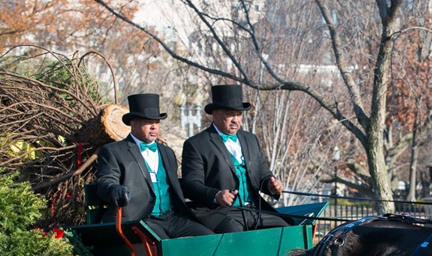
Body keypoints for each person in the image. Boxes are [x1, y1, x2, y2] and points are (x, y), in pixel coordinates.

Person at [95, 93, 214, 239]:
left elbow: (177, 185)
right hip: (141, 218)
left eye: (156, 122)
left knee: (209, 238)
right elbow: (105, 181)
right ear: (133, 124)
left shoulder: (167, 152)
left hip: (172, 217)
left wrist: (211, 192)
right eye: (147, 122)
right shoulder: (113, 151)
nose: (153, 127)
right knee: (164, 246)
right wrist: (114, 190)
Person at [181, 84, 291, 233]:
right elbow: (191, 184)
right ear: (215, 114)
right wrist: (216, 195)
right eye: (229, 114)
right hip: (221, 213)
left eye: (238, 114)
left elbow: (263, 175)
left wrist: (271, 186)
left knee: (285, 229)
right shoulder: (196, 144)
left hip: (255, 209)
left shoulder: (250, 139)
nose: (235, 120)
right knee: (238, 238)